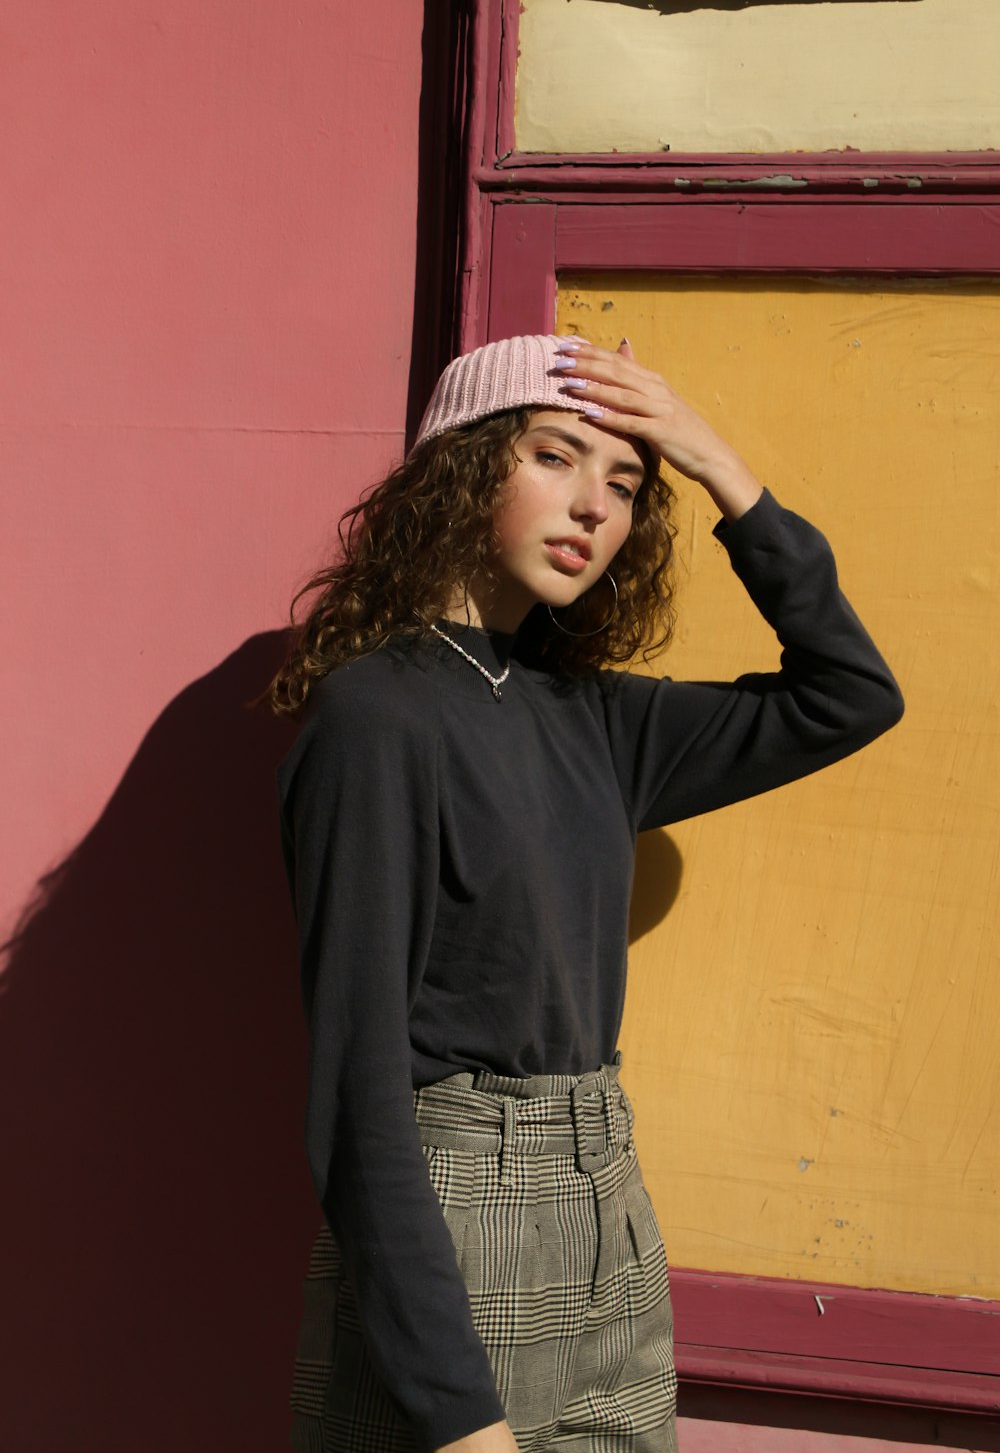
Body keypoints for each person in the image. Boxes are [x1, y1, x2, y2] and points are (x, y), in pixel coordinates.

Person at [268, 333, 903, 1453]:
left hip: (607, 1191)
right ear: (459, 474)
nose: (593, 508)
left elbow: (849, 694)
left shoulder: (600, 721)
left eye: (623, 482)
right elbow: (357, 1089)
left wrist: (713, 462)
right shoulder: (379, 717)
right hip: (460, 1210)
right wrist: (453, 1410)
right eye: (555, 457)